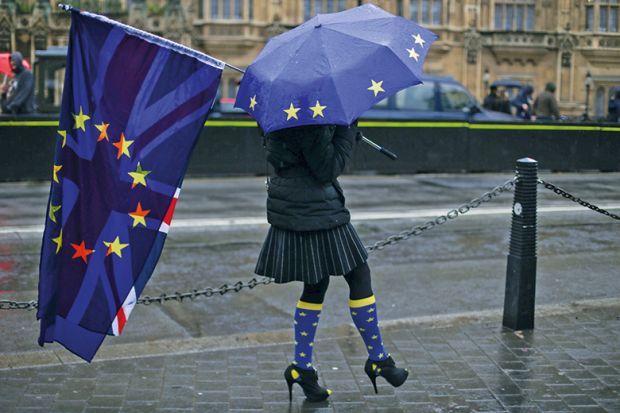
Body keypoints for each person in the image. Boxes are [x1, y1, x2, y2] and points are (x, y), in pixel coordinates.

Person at [255, 124, 408, 402]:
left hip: (295, 205)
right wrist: (346, 133)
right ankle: (378, 360)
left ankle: (302, 368)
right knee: (359, 275)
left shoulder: (282, 114)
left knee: (316, 284)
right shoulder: (310, 120)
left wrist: (337, 131)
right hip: (316, 208)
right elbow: (326, 168)